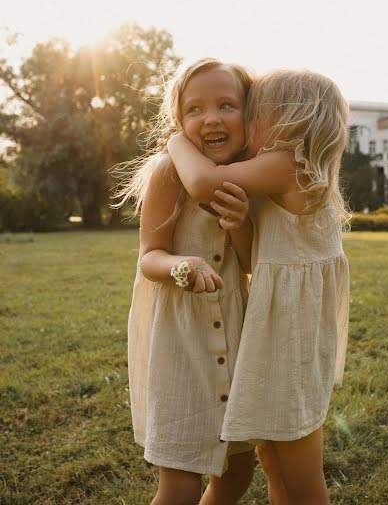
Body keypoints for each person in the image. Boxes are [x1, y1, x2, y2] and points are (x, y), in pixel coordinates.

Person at [167, 68, 351, 505]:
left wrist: (177, 140)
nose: (246, 125)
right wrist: (239, 225)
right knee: (274, 461)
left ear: (285, 119)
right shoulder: (291, 172)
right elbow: (258, 264)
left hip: (290, 345)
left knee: (303, 478)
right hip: (281, 338)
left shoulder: (288, 163)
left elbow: (201, 183)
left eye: (253, 113)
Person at [115, 58, 256, 505]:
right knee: (179, 481)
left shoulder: (250, 173)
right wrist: (182, 267)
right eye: (194, 109)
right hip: (180, 338)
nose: (210, 118)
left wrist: (240, 222)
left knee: (237, 470)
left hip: (235, 337)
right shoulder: (168, 173)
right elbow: (148, 256)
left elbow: (252, 263)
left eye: (226, 105)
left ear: (249, 114)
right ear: (178, 122)